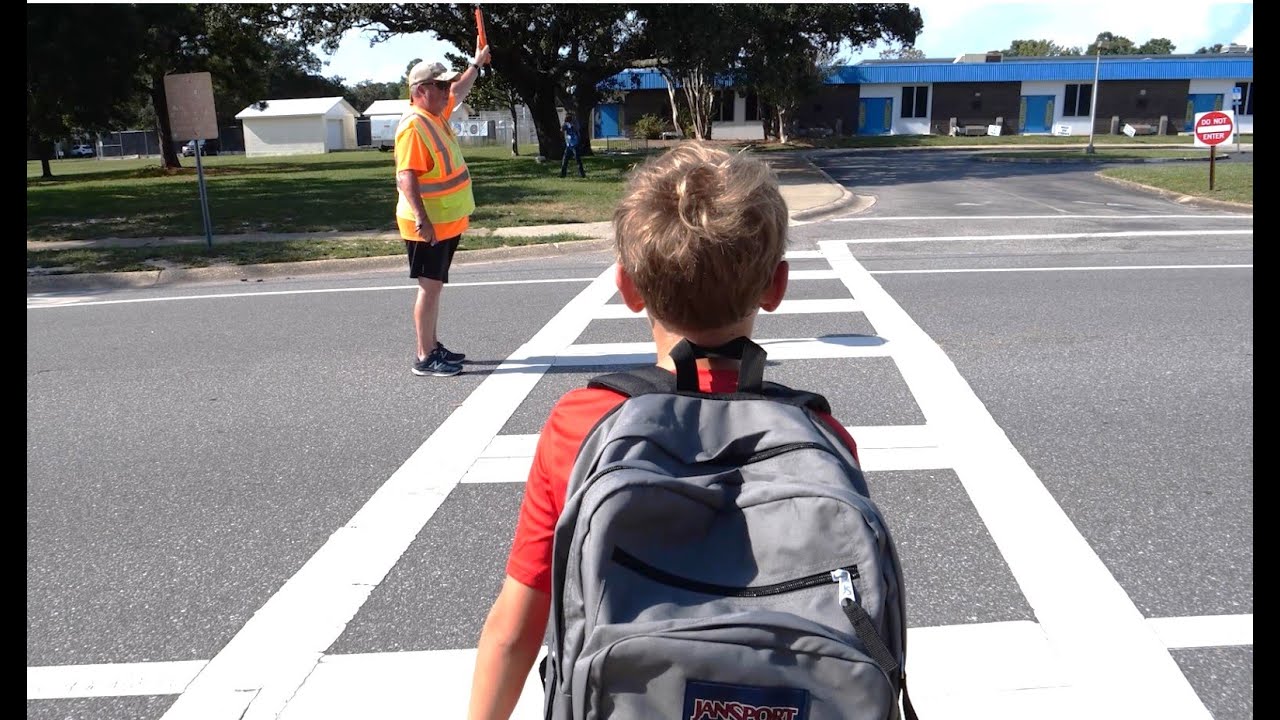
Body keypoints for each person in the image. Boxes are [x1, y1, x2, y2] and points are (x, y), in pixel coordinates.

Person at [465, 142, 862, 719]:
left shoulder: (582, 425)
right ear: (776, 287)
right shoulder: (824, 436)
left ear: (628, 287)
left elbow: (514, 628)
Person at [395, 40, 491, 377]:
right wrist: (422, 220)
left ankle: (433, 346)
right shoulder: (414, 125)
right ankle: (424, 356)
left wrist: (476, 64)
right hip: (427, 224)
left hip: (443, 221)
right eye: (441, 85)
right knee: (430, 287)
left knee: (434, 286)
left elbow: (460, 90)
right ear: (421, 91)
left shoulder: (434, 114)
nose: (448, 90)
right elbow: (406, 177)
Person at [558, 113, 586, 178]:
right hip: (568, 145)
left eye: (569, 117)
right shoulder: (566, 124)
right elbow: (561, 129)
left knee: (578, 160)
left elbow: (577, 129)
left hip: (575, 144)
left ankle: (582, 174)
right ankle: (563, 174)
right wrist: (565, 124)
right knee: (565, 160)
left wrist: (571, 124)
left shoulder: (575, 124)